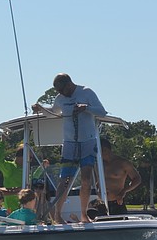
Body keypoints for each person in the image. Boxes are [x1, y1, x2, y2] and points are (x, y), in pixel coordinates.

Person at [33, 73, 106, 223]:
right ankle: (58, 215)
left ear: (69, 84)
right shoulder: (60, 99)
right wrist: (40, 108)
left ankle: (84, 215)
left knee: (86, 179)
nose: (60, 94)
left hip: (87, 142)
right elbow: (54, 113)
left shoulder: (86, 92)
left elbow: (102, 112)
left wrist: (86, 107)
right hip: (69, 144)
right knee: (64, 180)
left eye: (61, 90)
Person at [99, 137, 142, 215]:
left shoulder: (123, 163)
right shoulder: (98, 164)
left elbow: (137, 179)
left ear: (105, 150)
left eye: (98, 150)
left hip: (117, 203)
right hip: (100, 204)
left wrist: (124, 191)